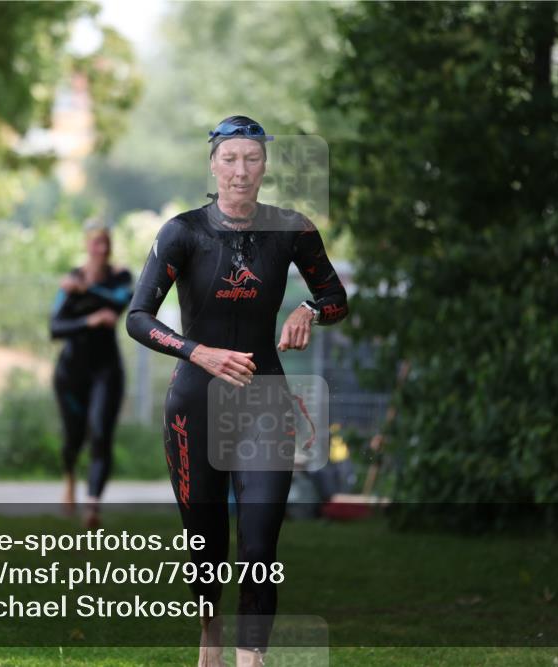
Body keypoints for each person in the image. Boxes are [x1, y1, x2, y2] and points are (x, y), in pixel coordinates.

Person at [127, 116, 348, 667]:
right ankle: (209, 631)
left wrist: (309, 308)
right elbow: (137, 318)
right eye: (230, 159)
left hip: (264, 402)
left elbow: (337, 297)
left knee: (257, 548)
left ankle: (251, 659)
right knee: (205, 545)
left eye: (251, 158)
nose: (241, 170)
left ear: (265, 165)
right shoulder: (183, 232)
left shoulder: (292, 229)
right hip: (194, 403)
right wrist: (196, 351)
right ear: (213, 164)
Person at [50, 221, 133, 529]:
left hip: (106, 371)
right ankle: (70, 476)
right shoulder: (71, 279)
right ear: (87, 246)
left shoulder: (120, 277)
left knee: (100, 434)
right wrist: (91, 320)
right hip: (70, 373)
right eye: (96, 243)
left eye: (106, 243)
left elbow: (121, 303)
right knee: (73, 438)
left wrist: (86, 291)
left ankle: (93, 506)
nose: (102, 249)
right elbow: (55, 328)